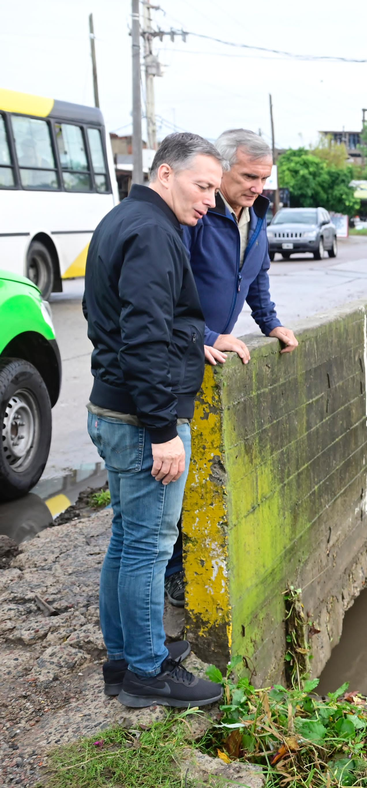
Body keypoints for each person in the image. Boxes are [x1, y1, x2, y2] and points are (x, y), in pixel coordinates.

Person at [83, 132, 224, 709]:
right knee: (147, 545)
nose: (210, 201)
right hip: (143, 418)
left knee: (127, 539)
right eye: (202, 186)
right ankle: (146, 673)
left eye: (215, 189)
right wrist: (164, 430)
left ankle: (124, 660)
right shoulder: (152, 233)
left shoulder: (124, 220)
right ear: (166, 174)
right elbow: (144, 338)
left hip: (114, 406)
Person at [161, 129, 298, 608]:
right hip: (180, 352)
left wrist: (272, 323)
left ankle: (180, 563)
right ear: (222, 170)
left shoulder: (256, 215)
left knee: (195, 465)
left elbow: (256, 275)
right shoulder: (195, 213)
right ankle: (174, 574)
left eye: (264, 178)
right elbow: (169, 282)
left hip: (211, 355)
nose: (257, 186)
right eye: (248, 176)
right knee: (173, 468)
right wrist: (201, 336)